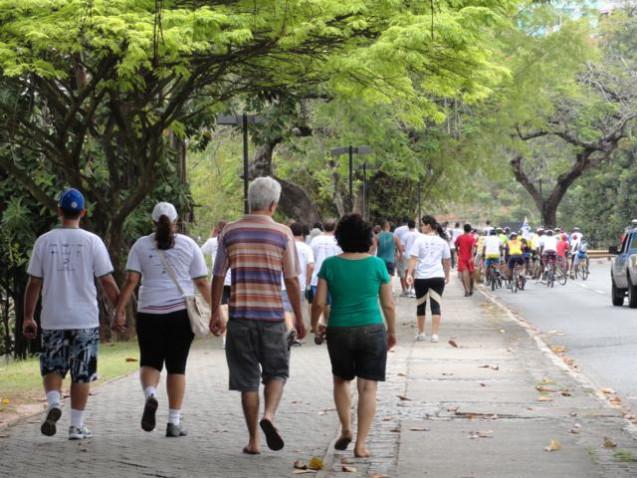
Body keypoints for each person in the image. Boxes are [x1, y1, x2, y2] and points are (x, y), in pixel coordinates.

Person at [209, 177, 306, 455]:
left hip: (240, 318)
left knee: (247, 380)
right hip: (273, 317)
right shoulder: (283, 234)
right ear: (273, 205)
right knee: (277, 371)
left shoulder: (229, 232)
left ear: (249, 202)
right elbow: (291, 280)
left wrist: (216, 311)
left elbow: (217, 276)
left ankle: (253, 441)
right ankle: (270, 416)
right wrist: (299, 317)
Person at [23, 188, 120, 440]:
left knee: (53, 367)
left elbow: (34, 283)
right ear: (83, 213)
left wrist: (28, 316)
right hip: (84, 319)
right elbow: (107, 282)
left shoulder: (44, 241)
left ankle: (54, 403)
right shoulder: (92, 241)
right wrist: (119, 310)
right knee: (82, 372)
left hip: (53, 319)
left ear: (59, 212)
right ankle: (76, 426)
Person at [115, 202, 210, 438]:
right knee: (177, 367)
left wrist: (119, 309)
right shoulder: (188, 245)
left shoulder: (140, 245)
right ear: (176, 221)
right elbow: (201, 282)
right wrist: (216, 310)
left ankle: (151, 395)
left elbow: (131, 281)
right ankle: (173, 422)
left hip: (149, 313)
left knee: (150, 361)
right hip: (180, 314)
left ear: (152, 222)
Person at [311, 213, 396, 458]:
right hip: (372, 327)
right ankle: (361, 445)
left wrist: (314, 324)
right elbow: (388, 304)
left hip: (339, 328)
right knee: (368, 387)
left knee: (341, 380)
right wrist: (392, 331)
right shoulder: (377, 264)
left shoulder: (330, 265)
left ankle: (346, 429)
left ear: (340, 238)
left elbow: (319, 302)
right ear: (368, 238)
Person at [406, 215, 451, 343]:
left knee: (421, 305)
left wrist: (409, 274)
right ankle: (435, 335)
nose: (421, 227)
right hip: (438, 277)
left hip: (421, 277)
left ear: (428, 226)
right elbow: (447, 261)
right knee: (435, 305)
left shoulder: (419, 240)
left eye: (422, 224)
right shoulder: (442, 241)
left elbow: (413, 258)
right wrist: (447, 276)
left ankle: (421, 333)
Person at [201, 220, 229, 347]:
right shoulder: (232, 239)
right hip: (234, 279)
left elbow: (200, 252)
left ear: (217, 229)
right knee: (231, 308)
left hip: (219, 280)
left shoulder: (213, 241)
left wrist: (211, 236)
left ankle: (226, 336)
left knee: (222, 307)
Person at [309, 218, 342, 325]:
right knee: (333, 303)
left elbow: (311, 258)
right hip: (335, 277)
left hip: (317, 276)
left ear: (323, 227)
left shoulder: (315, 240)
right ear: (335, 228)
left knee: (320, 303)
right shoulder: (338, 240)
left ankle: (321, 322)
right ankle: (329, 323)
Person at [454, 224, 476, 297]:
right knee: (471, 275)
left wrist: (457, 251)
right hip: (470, 258)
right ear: (470, 230)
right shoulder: (472, 238)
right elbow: (473, 248)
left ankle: (466, 290)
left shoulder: (459, 237)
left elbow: (456, 245)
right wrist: (472, 257)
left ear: (464, 229)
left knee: (463, 275)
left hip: (462, 258)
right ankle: (471, 289)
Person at [401, 220, 419, 298]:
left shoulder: (405, 235)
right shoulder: (419, 235)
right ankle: (413, 289)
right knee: (414, 273)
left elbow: (402, 247)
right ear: (415, 225)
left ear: (408, 226)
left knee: (407, 272)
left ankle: (408, 289)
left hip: (407, 255)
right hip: (415, 256)